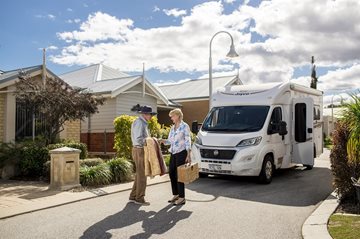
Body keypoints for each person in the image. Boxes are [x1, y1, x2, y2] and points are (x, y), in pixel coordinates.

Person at [160, 108, 191, 205]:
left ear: (177, 116)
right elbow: (170, 141)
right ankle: (176, 194)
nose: (171, 118)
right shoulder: (173, 127)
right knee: (172, 173)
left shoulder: (185, 126)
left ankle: (182, 198)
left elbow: (188, 140)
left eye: (172, 116)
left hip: (181, 153)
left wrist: (188, 154)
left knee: (179, 175)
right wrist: (162, 140)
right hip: (173, 153)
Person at [129, 105, 156, 205]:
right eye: (150, 115)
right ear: (145, 114)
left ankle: (133, 196)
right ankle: (139, 198)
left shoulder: (141, 122)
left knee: (139, 174)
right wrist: (150, 141)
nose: (151, 117)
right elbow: (139, 139)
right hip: (140, 150)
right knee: (142, 175)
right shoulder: (140, 123)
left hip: (138, 149)